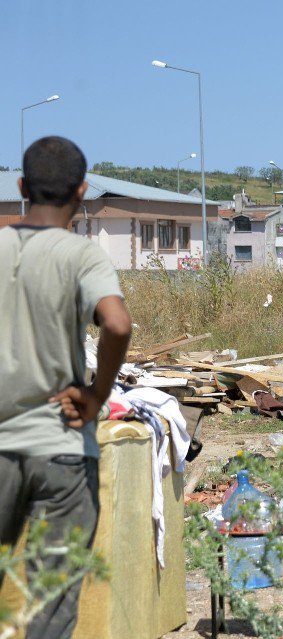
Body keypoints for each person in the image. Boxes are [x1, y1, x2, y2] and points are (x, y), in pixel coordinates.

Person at [0, 136, 132, 639]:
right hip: (61, 449)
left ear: (21, 187)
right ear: (82, 190)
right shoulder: (81, 255)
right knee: (50, 604)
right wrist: (97, 397)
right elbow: (116, 325)